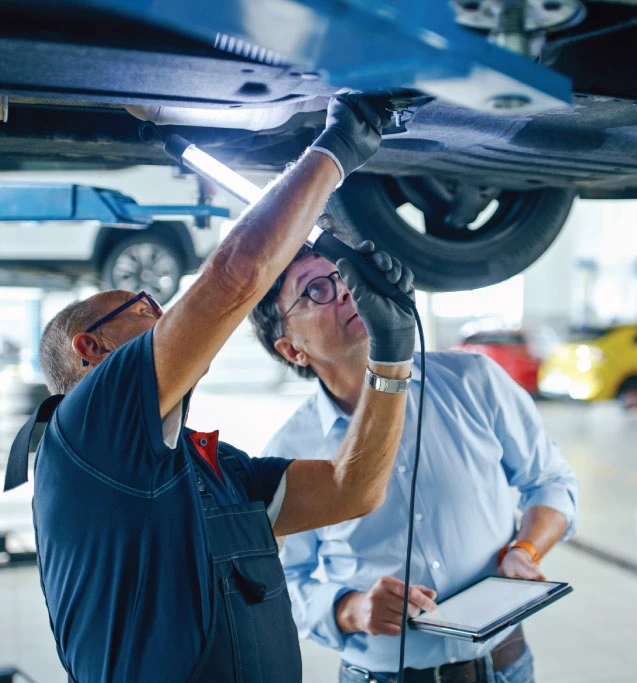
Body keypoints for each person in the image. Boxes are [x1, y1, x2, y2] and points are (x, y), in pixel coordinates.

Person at [6, 95, 418, 683]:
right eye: (144, 306)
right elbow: (233, 278)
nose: (165, 311)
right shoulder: (84, 429)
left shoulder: (210, 468)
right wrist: (340, 146)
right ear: (91, 349)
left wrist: (393, 355)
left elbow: (351, 490)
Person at [250, 239, 580, 683]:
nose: (346, 291)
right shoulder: (287, 451)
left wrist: (526, 549)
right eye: (316, 290)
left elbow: (551, 480)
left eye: (343, 277)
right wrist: (352, 608)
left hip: (503, 668)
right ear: (292, 349)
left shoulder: (471, 381)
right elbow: (284, 581)